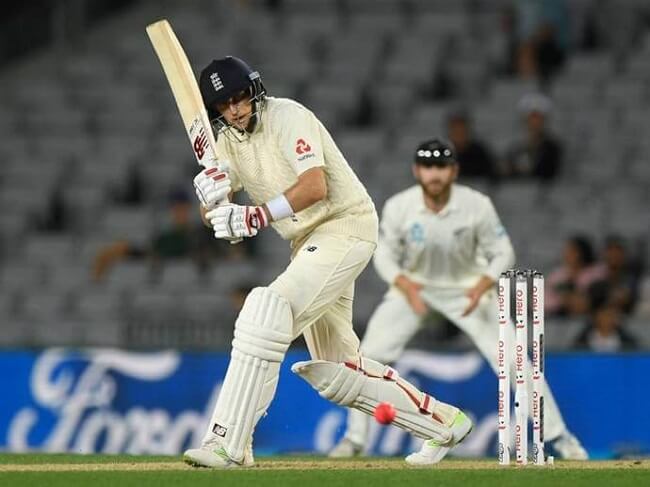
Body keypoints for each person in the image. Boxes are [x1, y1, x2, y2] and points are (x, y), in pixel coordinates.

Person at [182, 56, 472, 468]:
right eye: (224, 105)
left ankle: (228, 443)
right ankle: (445, 423)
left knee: (265, 311)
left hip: (345, 226)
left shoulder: (288, 117)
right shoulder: (227, 143)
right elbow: (219, 214)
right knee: (338, 372)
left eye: (240, 97)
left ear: (254, 90)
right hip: (306, 241)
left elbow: (314, 186)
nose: (235, 109)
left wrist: (255, 216)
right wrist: (211, 201)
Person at [328, 139, 588, 460]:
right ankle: (354, 439)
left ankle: (561, 438)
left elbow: (503, 252)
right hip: (415, 289)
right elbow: (384, 255)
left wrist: (484, 283)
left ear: (453, 171)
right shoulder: (399, 206)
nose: (434, 174)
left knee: (516, 362)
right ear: (417, 171)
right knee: (368, 357)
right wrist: (405, 286)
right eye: (428, 166)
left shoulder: (476, 204)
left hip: (468, 291)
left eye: (441, 166)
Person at [501, 93, 562, 181]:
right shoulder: (516, 147)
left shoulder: (552, 147)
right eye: (531, 117)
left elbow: (548, 171)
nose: (534, 122)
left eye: (538, 118)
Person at [545, 235, 603, 317]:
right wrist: (563, 301)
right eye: (567, 251)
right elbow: (545, 302)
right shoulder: (557, 275)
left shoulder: (596, 273)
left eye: (573, 251)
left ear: (583, 253)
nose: (568, 254)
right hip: (560, 315)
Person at [446, 111, 497, 180]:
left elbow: (492, 175)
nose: (459, 134)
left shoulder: (480, 153)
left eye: (462, 130)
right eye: (456, 131)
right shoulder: (443, 155)